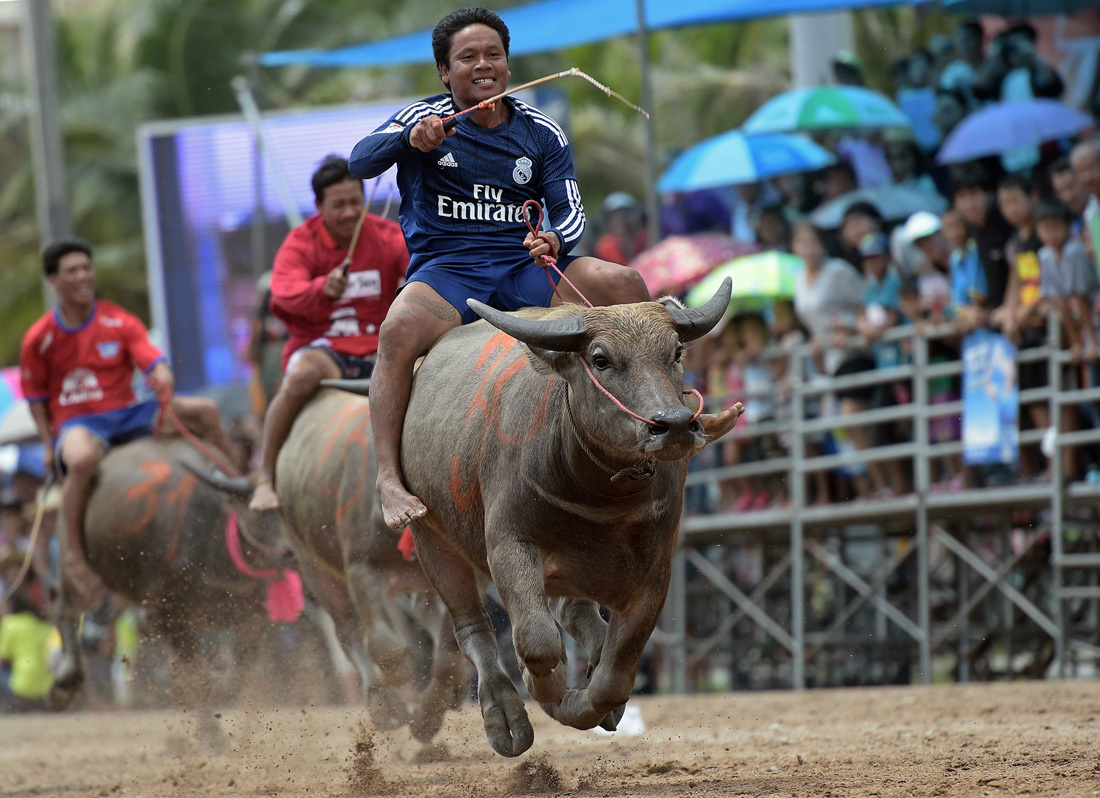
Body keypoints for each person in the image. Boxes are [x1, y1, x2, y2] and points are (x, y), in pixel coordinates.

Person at [348, 7, 650, 529]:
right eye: (467, 57)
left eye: (494, 54)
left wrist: (554, 239)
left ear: (508, 64)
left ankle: (670, 413)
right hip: (449, 271)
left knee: (625, 283)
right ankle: (388, 480)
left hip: (522, 266)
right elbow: (358, 161)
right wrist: (408, 140)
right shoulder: (420, 117)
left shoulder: (542, 133)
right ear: (445, 71)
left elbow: (572, 211)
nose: (483, 65)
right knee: (396, 330)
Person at [20, 238, 233, 607]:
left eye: (87, 267)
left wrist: (163, 374)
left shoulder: (117, 319)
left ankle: (237, 488)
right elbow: (36, 399)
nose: (84, 275)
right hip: (79, 422)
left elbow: (153, 360)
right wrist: (48, 442)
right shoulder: (39, 338)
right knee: (82, 459)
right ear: (54, 280)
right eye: (72, 270)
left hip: (130, 411)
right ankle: (73, 553)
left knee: (205, 412)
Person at [248, 156, 408, 512]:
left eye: (356, 202)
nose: (350, 212)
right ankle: (266, 477)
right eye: (338, 205)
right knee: (302, 375)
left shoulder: (387, 235)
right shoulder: (300, 243)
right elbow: (284, 294)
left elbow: (421, 270)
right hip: (326, 350)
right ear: (319, 206)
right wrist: (323, 289)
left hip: (381, 350)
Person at [0, 589, 55, 712]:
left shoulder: (10, 623)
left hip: (22, 688)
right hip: (46, 688)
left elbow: (3, 659)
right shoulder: (43, 625)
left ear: (10, 606)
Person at [593, 191, 648, 266]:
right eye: (615, 217)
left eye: (625, 215)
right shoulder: (604, 247)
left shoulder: (644, 241)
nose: (621, 221)